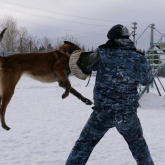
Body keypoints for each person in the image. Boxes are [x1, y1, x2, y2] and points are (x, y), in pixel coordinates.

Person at [65, 24, 154, 165]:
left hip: (102, 114)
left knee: (83, 147)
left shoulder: (101, 54)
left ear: (111, 38)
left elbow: (82, 66)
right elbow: (148, 80)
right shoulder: (138, 58)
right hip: (127, 115)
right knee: (140, 150)